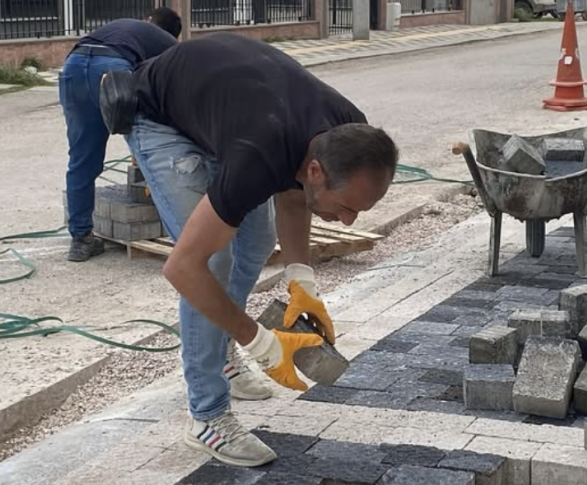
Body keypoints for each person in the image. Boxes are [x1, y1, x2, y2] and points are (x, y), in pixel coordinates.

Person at [100, 33, 398, 468]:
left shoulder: (347, 131)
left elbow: (297, 190)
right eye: (347, 208)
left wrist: (302, 279)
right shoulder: (259, 153)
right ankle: (207, 416)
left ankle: (217, 350)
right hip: (158, 115)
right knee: (211, 260)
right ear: (318, 170)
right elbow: (183, 268)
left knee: (257, 239)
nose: (350, 221)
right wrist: (258, 341)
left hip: (228, 111)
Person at [60, 7, 181, 262]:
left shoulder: (124, 25)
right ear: (172, 34)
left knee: (82, 159)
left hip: (74, 65)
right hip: (113, 68)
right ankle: (180, 234)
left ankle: (80, 241)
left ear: (149, 20)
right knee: (150, 145)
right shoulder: (169, 45)